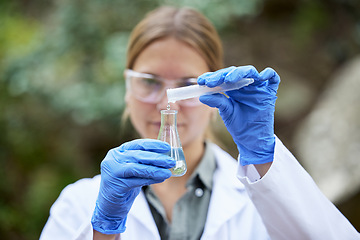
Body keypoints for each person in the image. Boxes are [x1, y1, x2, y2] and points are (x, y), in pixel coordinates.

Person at [40, 6, 359, 240]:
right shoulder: (79, 205)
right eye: (149, 82)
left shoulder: (263, 198)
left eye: (186, 84)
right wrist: (103, 231)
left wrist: (263, 159)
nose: (167, 103)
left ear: (215, 91)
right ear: (127, 89)